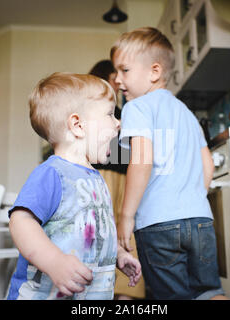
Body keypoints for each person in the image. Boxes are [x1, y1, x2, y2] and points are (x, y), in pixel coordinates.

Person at [112, 27, 227, 300]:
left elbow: (142, 160)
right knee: (209, 292)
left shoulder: (137, 108)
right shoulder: (187, 114)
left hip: (158, 224)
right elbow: (207, 164)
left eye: (124, 70)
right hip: (201, 221)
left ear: (154, 71)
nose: (117, 79)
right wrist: (193, 200)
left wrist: (125, 216)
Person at [6, 72, 142, 300]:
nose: (118, 122)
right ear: (78, 126)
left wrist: (116, 254)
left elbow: (96, 234)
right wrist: (54, 261)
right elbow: (20, 221)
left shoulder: (96, 178)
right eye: (110, 114)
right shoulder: (52, 174)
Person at [89, 60, 146, 300]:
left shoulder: (122, 113)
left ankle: (125, 294)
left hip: (125, 176)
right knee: (103, 232)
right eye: (115, 77)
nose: (119, 82)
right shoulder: (97, 111)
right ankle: (103, 293)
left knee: (124, 234)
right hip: (103, 175)